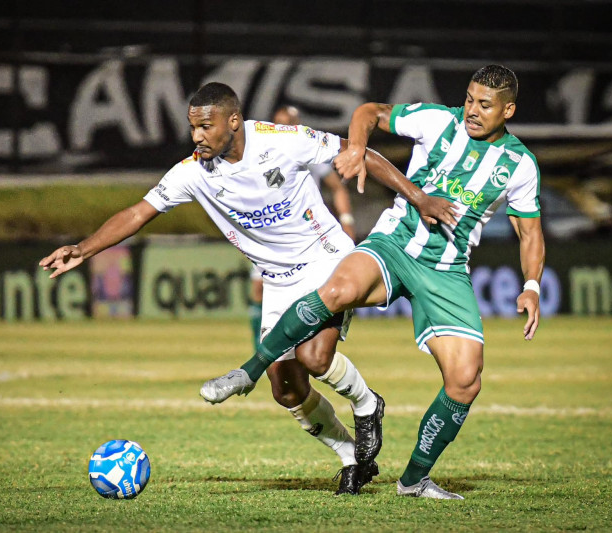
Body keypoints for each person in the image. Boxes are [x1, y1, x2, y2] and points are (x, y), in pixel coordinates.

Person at [39, 82, 454, 495]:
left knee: (314, 355)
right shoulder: (192, 173)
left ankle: (367, 405)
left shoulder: (283, 141)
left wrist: (417, 198)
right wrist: (83, 248)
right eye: (192, 128)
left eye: (206, 126)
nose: (197, 136)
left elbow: (359, 152)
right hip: (276, 280)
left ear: (233, 121)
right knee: (286, 389)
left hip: (325, 258)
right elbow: (138, 212)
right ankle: (350, 458)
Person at [201, 65, 546, 500]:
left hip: (446, 268)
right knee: (336, 290)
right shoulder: (438, 119)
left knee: (465, 380)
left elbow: (529, 232)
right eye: (470, 99)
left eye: (485, 105)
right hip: (393, 243)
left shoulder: (519, 165)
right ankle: (247, 372)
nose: (472, 111)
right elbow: (369, 111)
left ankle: (414, 480)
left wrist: (531, 286)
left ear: (508, 110)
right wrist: (356, 148)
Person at [248, 105, 357, 350]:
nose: (282, 127)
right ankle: (261, 347)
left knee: (310, 292)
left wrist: (346, 219)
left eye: (287, 122)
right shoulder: (260, 153)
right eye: (278, 122)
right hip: (270, 232)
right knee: (257, 289)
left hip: (308, 234)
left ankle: (305, 346)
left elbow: (337, 187)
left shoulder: (305, 149)